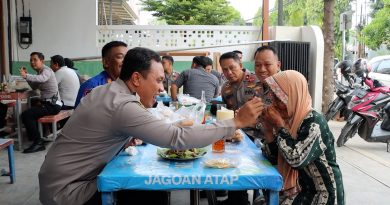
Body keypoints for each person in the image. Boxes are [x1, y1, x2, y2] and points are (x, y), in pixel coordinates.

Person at [38, 47, 264, 205]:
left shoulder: (108, 91)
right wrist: (235, 122)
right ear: (136, 79)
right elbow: (176, 138)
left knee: (151, 191)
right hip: (70, 190)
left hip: (61, 178)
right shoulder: (122, 104)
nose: (161, 89)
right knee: (150, 193)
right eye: (157, 81)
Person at [261, 70, 344, 204]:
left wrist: (279, 126)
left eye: (279, 98)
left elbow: (296, 159)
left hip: (325, 193)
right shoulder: (291, 121)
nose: (275, 104)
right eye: (273, 98)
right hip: (306, 190)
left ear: (295, 96)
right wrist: (268, 130)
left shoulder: (313, 122)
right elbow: (275, 157)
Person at [19, 52, 62, 153]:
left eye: (35, 60)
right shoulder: (39, 72)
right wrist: (26, 78)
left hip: (53, 105)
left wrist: (26, 75)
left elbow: (41, 79)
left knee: (26, 115)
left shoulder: (46, 70)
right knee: (31, 109)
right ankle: (37, 138)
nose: (32, 62)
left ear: (41, 61)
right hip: (48, 103)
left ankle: (38, 142)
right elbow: (34, 86)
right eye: (31, 60)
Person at [75, 41, 128, 107]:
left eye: (128, 58)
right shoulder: (93, 86)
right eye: (120, 57)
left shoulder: (127, 85)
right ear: (106, 62)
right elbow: (81, 114)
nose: (126, 61)